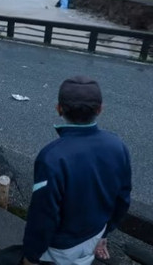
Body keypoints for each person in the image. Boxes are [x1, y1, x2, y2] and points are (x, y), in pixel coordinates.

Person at [22, 76, 132, 265]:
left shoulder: (52, 157)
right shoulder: (117, 145)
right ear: (99, 110)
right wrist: (105, 232)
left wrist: (31, 256)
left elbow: (43, 215)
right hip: (95, 233)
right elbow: (123, 198)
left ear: (59, 109)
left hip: (61, 247)